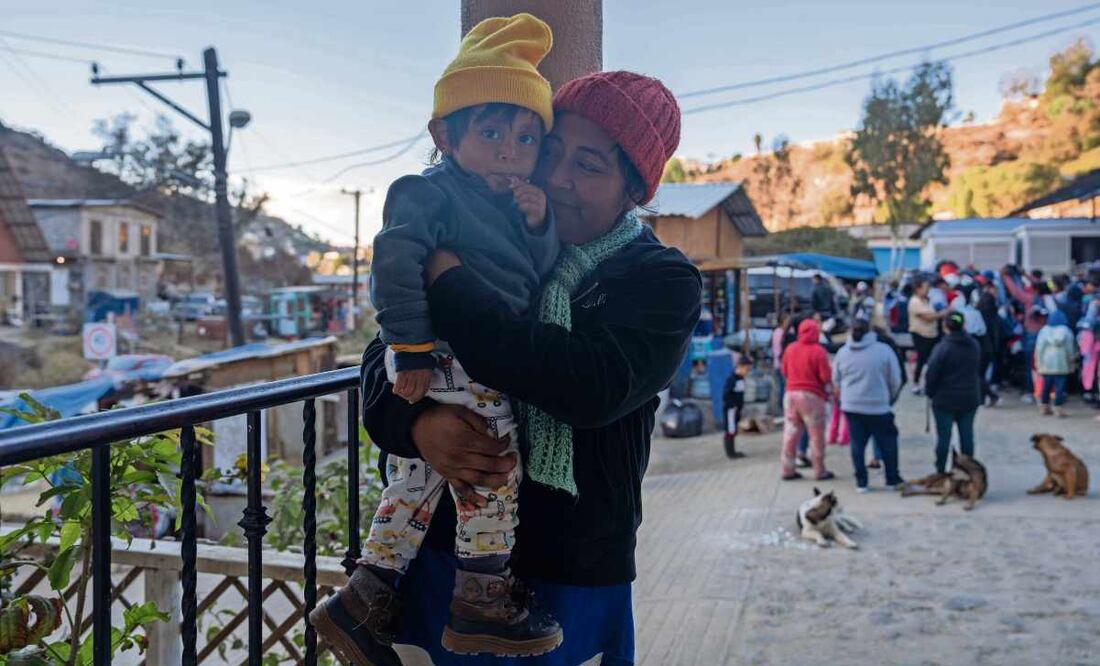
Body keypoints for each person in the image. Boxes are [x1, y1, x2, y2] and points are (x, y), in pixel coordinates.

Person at [337, 70, 695, 666]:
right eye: (550, 152)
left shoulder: (659, 279)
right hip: (445, 555)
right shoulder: (491, 230)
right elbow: (386, 351)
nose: (556, 179)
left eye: (588, 166)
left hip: (570, 567)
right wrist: (418, 424)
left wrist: (446, 280)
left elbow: (585, 386)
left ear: (635, 190)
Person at [312, 14, 564, 659]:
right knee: (492, 463)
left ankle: (364, 597)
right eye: (491, 130)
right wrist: (411, 349)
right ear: (444, 135)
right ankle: (481, 597)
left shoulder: (510, 206)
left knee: (417, 483)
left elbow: (530, 281)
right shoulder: (426, 192)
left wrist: (538, 229)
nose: (511, 148)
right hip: (452, 356)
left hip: (470, 355)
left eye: (528, 136)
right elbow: (395, 264)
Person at [832, 318, 904, 493]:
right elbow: (895, 379)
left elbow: (836, 380)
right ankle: (891, 479)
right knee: (888, 443)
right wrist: (889, 398)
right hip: (879, 405)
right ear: (870, 332)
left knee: (857, 444)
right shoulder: (884, 351)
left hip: (852, 406)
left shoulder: (843, 353)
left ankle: (861, 482)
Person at [925, 312, 982, 475]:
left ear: (945, 327)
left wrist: (930, 391)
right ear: (964, 325)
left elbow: (932, 374)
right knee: (967, 437)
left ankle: (940, 471)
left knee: (944, 438)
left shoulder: (942, 348)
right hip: (969, 398)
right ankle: (968, 470)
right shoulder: (974, 345)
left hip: (945, 400)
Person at [780, 318, 836, 481]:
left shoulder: (790, 349)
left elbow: (784, 370)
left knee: (790, 434)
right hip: (812, 397)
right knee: (816, 436)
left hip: (790, 396)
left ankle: (787, 470)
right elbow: (825, 376)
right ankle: (819, 471)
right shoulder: (818, 351)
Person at [952, 295, 999, 406]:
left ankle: (991, 396)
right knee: (980, 375)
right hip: (987, 349)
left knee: (977, 375)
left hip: (979, 350)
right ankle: (982, 399)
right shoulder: (980, 315)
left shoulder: (970, 316)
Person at [908, 277, 946, 394]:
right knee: (921, 360)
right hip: (920, 334)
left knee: (932, 361)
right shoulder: (915, 302)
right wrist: (942, 314)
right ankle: (916, 383)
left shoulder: (926, 300)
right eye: (925, 288)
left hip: (932, 334)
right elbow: (928, 317)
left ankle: (930, 383)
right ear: (918, 289)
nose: (928, 290)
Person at [1035, 309, 1076, 418]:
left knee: (1046, 385)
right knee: (1060, 386)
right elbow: (1070, 348)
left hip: (1047, 361)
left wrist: (1038, 361)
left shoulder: (1044, 330)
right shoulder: (1067, 331)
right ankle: (1058, 408)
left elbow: (1039, 348)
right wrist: (1071, 359)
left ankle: (1044, 406)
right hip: (1061, 361)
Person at [722, 356, 751, 459]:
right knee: (730, 429)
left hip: (737, 409)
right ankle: (730, 453)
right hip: (731, 409)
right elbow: (726, 395)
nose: (747, 372)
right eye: (746, 369)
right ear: (740, 367)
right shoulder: (732, 379)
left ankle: (733, 450)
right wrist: (732, 405)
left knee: (733, 429)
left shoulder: (741, 379)